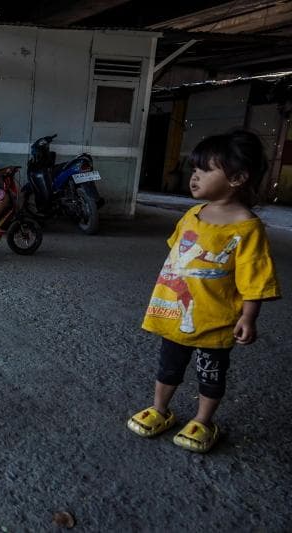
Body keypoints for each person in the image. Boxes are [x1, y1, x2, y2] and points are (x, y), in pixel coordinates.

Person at [127, 130, 281, 453]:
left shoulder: (246, 228)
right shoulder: (192, 215)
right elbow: (176, 259)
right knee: (168, 367)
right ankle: (160, 409)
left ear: (238, 177)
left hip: (215, 320)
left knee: (211, 375)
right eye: (194, 169)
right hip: (177, 314)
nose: (194, 176)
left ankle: (203, 420)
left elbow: (254, 278)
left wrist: (249, 317)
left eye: (205, 170)